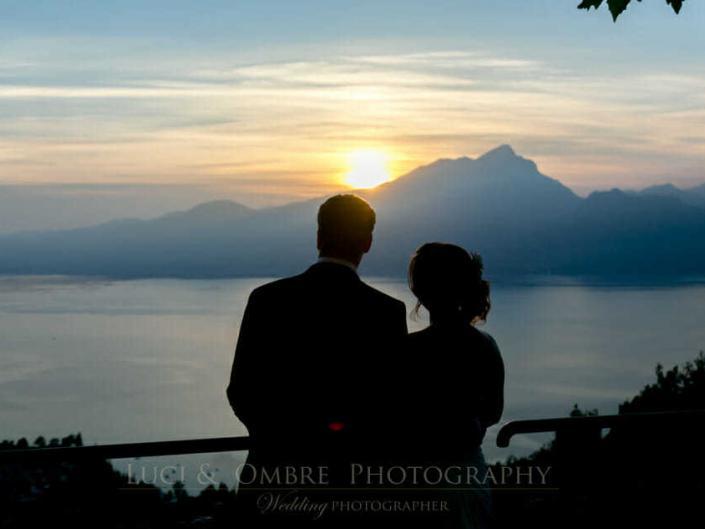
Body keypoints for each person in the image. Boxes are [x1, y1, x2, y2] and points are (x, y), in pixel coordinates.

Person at [226, 194, 408, 528]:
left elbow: (240, 391)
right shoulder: (387, 313)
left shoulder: (267, 300)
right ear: (367, 243)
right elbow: (392, 405)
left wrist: (278, 440)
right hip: (354, 491)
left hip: (273, 480)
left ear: (319, 237)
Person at [402, 242, 505, 529]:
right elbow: (494, 411)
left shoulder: (409, 350)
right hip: (469, 476)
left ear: (421, 291)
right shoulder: (485, 346)